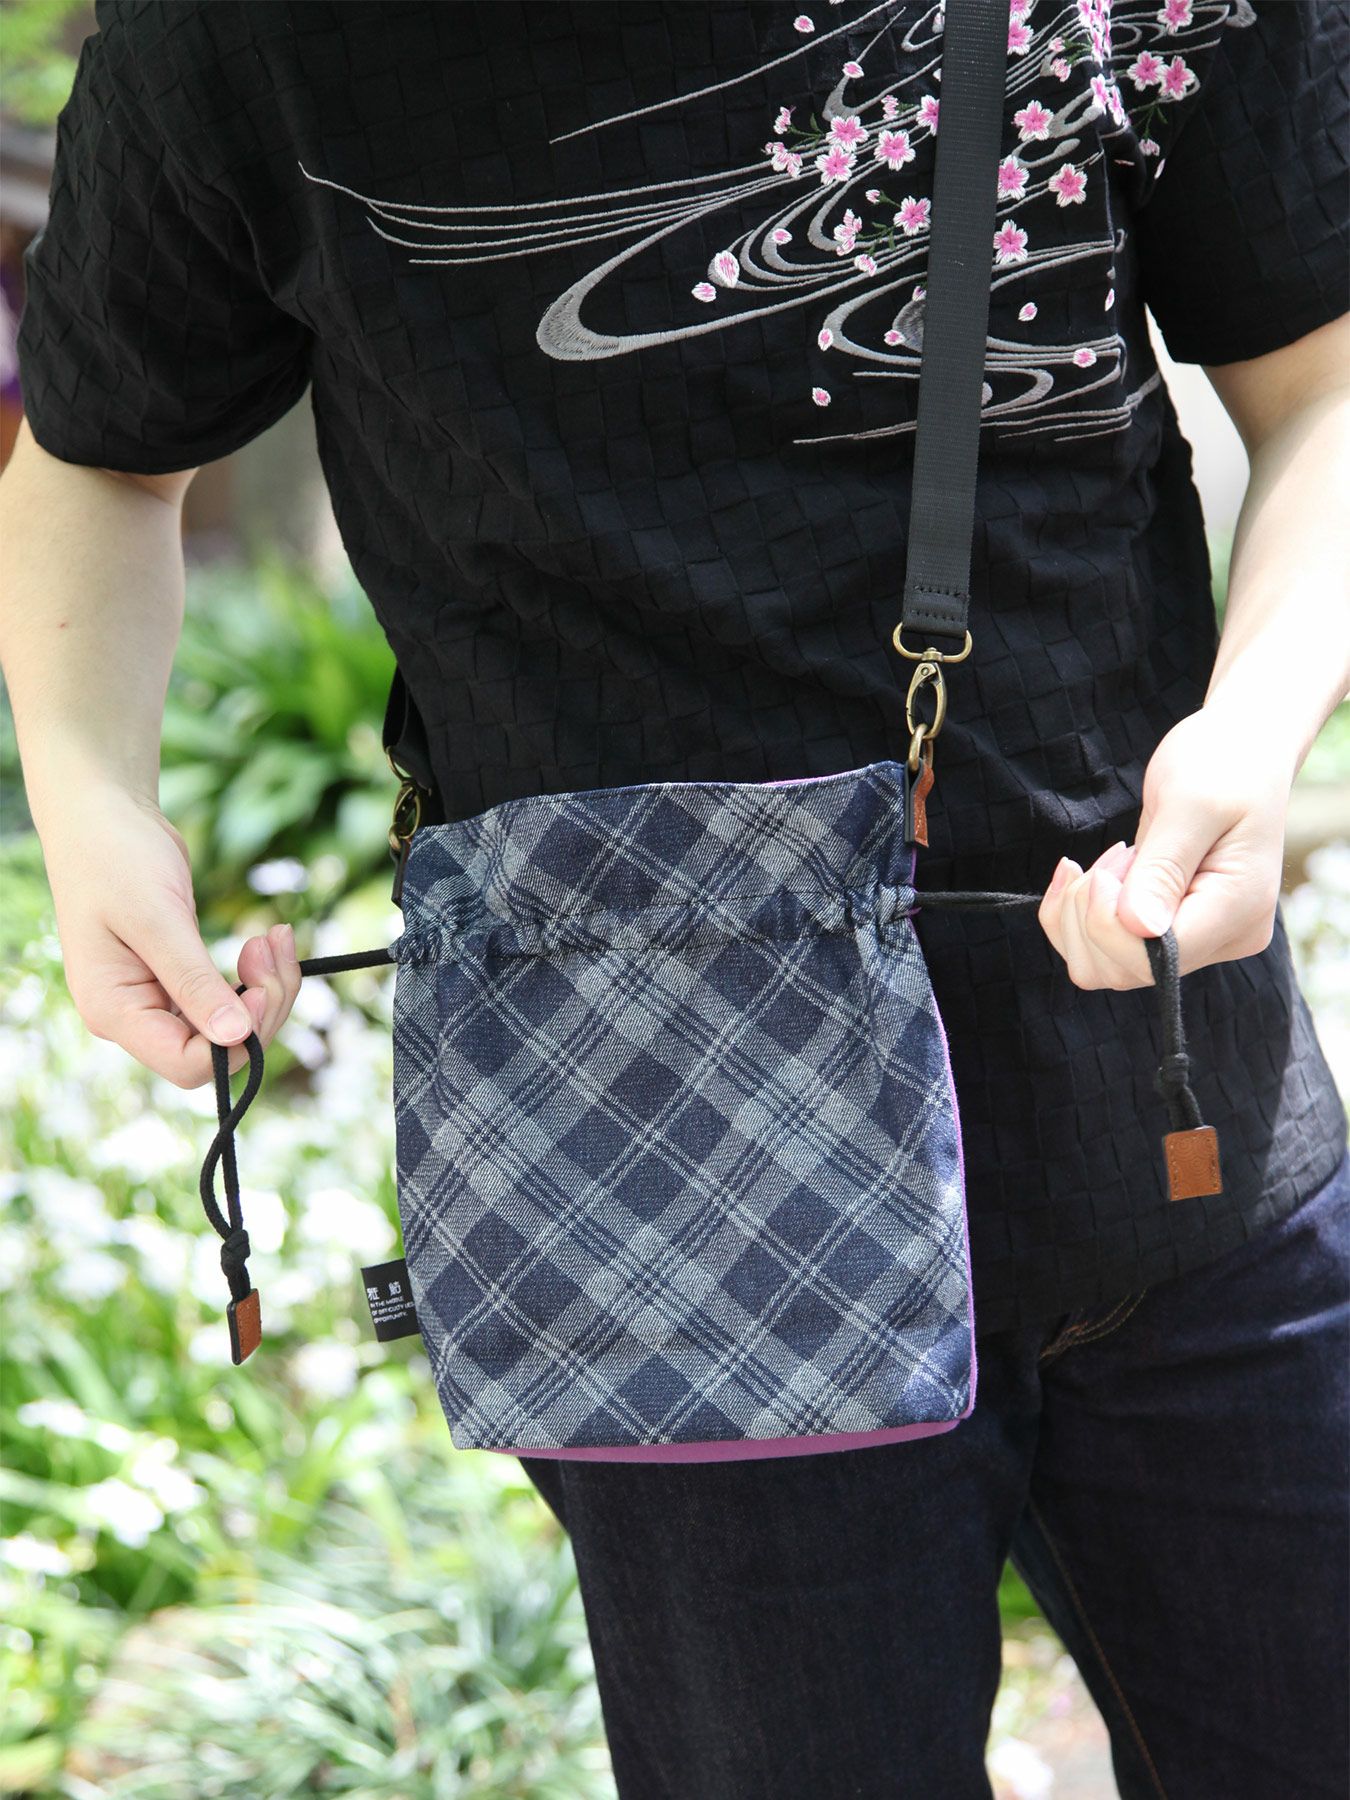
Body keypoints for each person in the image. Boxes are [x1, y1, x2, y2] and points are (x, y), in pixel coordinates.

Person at [2, 2, 1347, 1793]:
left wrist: (1255, 727)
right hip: (661, 1225)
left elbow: (1322, 377)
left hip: (1175, 1117)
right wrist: (90, 800)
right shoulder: (240, 31)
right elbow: (100, 455)